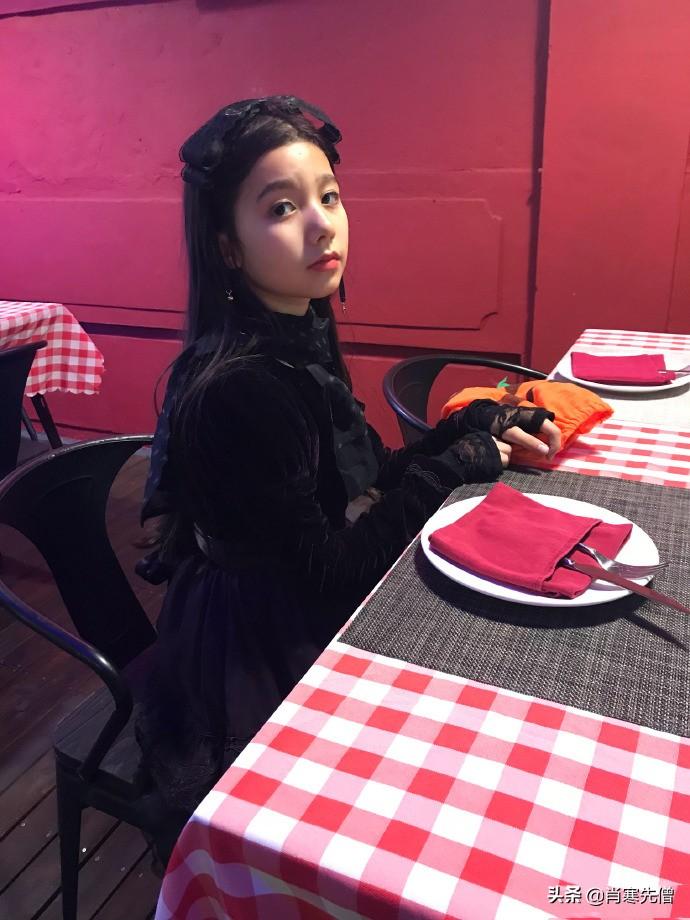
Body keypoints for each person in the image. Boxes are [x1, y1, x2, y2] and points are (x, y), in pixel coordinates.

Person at [135, 95, 561, 856]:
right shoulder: (243, 387)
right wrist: (454, 467)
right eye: (282, 207)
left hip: (299, 591)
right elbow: (331, 569)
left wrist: (471, 428)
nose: (322, 224)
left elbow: (359, 478)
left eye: (328, 196)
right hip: (258, 644)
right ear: (227, 246)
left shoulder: (294, 332)